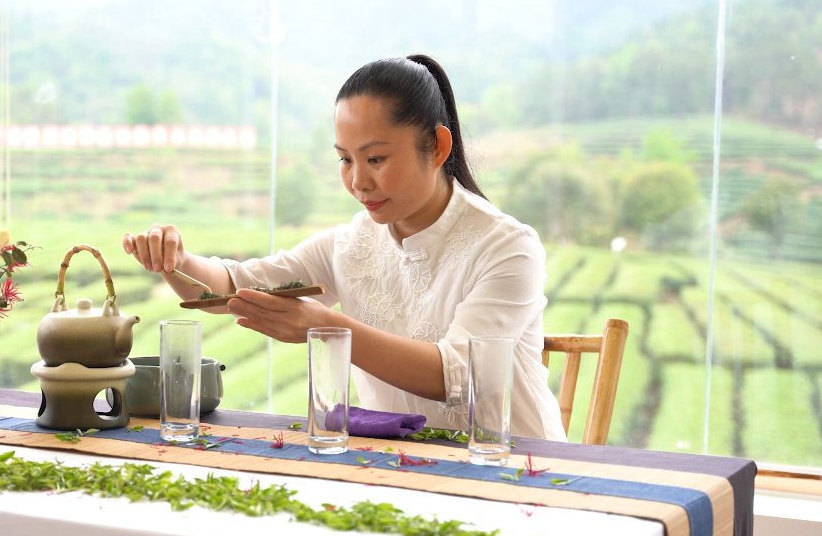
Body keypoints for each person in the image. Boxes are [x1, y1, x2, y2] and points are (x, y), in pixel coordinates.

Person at [123, 54, 565, 441]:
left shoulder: (507, 247)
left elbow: (461, 374)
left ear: (437, 146)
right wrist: (176, 261)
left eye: (375, 159)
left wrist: (331, 331)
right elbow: (231, 289)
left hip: (518, 467)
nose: (358, 181)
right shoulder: (350, 244)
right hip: (401, 464)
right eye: (345, 159)